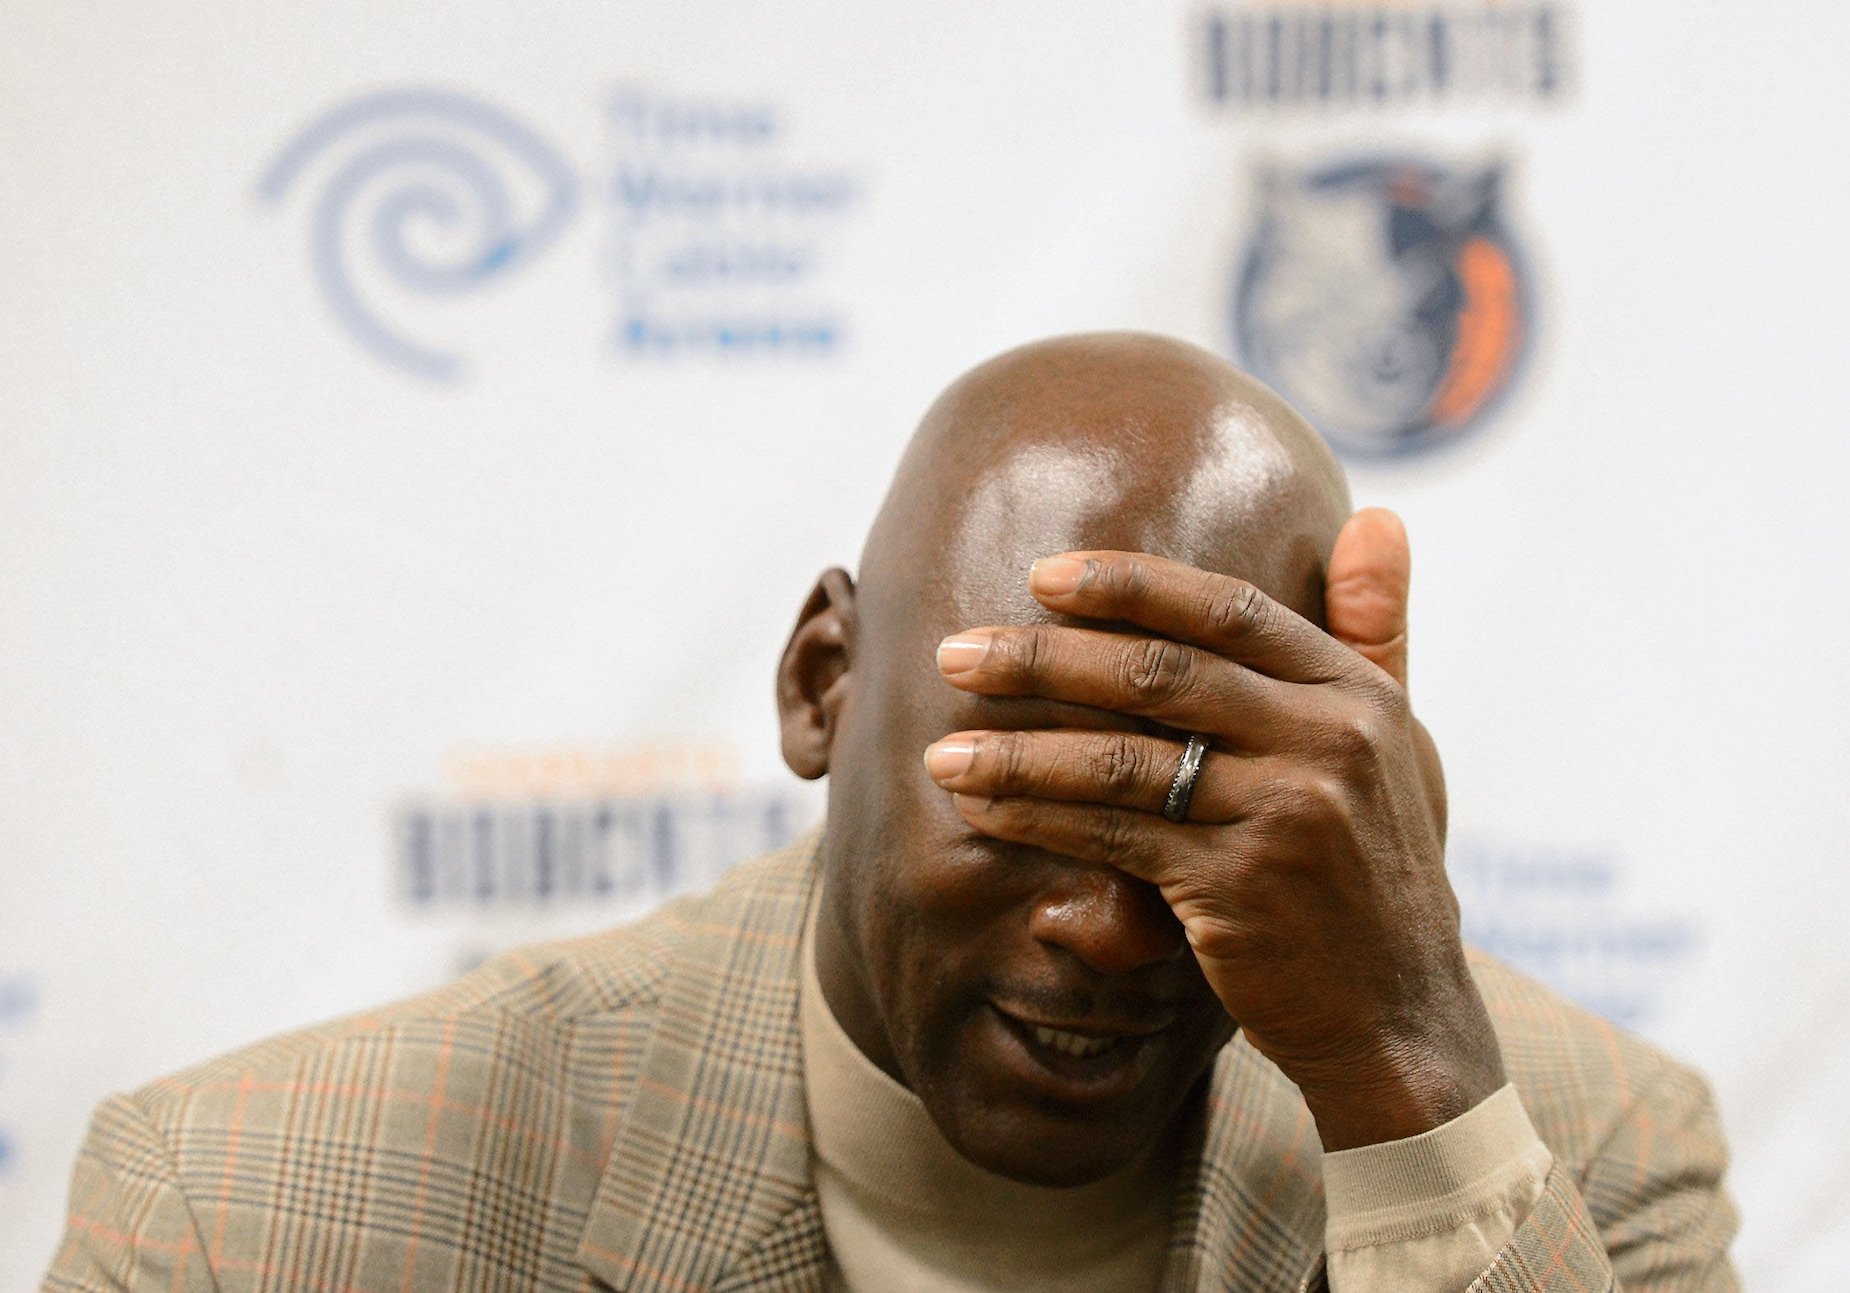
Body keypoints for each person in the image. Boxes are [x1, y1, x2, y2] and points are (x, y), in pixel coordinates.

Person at [44, 334, 1737, 1291]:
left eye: (1200, 815)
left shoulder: (1579, 1150)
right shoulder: (251, 1214)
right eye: (1016, 784)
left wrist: (1406, 1081)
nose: (1099, 927)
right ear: (819, 684)